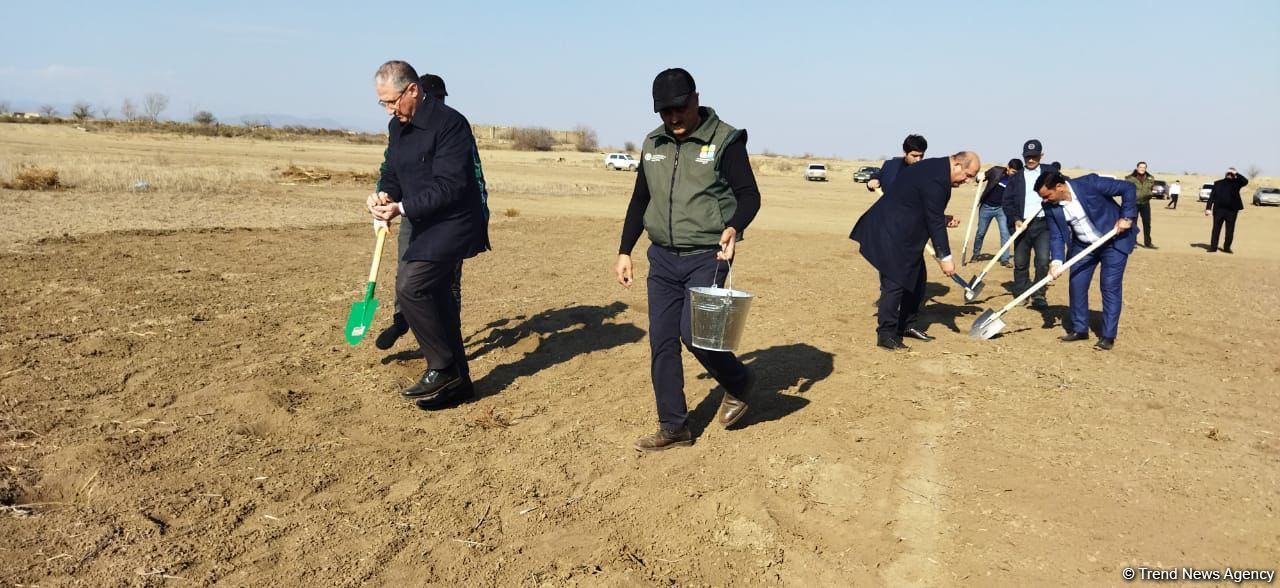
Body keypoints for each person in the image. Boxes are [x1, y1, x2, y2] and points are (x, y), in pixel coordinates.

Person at [614, 68, 761, 452]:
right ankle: (674, 426)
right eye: (665, 112)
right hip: (662, 259)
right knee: (662, 342)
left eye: (679, 109)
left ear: (696, 99)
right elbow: (639, 200)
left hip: (707, 254)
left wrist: (734, 227)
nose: (674, 118)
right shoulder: (653, 144)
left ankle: (739, 382)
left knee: (695, 333)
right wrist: (625, 250)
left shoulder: (724, 140)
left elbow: (749, 195)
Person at [368, 60, 490, 410]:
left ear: (413, 90)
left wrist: (401, 209)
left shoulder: (451, 124)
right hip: (424, 222)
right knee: (440, 300)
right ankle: (460, 385)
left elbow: (451, 186)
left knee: (411, 285)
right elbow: (394, 170)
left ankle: (442, 366)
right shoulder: (397, 127)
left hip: (455, 222)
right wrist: (385, 195)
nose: (390, 110)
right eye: (383, 104)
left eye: (392, 101)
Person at [851, 152, 982, 350]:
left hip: (905, 232)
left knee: (917, 282)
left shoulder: (936, 169)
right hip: (890, 232)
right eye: (968, 175)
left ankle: (906, 326)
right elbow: (934, 221)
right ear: (956, 165)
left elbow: (923, 206)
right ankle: (886, 334)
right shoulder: (937, 179)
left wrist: (942, 218)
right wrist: (945, 257)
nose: (968, 180)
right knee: (894, 285)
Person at [1036, 171, 1138, 351]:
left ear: (1059, 187)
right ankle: (1080, 329)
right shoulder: (1050, 206)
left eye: (1047, 195)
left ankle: (1107, 336)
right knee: (1077, 284)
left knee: (1109, 286)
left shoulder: (1090, 184)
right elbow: (1057, 235)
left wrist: (1127, 217)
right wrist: (1057, 261)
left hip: (1114, 241)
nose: (1045, 200)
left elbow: (1128, 188)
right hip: (1083, 246)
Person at [1002, 139, 1058, 309]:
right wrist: (1016, 219)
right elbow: (1007, 202)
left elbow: (1063, 189)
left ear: (1041, 155)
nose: (1031, 160)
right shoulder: (1016, 178)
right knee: (1020, 262)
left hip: (1044, 225)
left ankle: (1039, 294)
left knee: (1042, 261)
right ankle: (1020, 293)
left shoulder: (1051, 172)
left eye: (1034, 156)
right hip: (1022, 225)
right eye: (1028, 157)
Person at [970, 158, 1021, 267]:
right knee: (981, 232)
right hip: (986, 207)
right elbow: (980, 178)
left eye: (1017, 173)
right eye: (1013, 172)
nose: (1014, 175)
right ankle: (976, 254)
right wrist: (979, 178)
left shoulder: (1017, 180)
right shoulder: (996, 171)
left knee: (1005, 233)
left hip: (1001, 209)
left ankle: (1005, 259)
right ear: (1008, 168)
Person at [1205, 167, 1250, 253]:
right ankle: (1213, 247)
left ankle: (1227, 247)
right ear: (1226, 174)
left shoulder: (1237, 183)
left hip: (1232, 211)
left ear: (1234, 175)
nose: (1230, 175)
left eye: (1231, 174)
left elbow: (1246, 181)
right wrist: (1208, 208)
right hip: (1219, 210)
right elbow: (1211, 197)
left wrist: (1236, 173)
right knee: (1216, 229)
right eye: (1228, 173)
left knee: (1230, 230)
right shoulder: (1218, 183)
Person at [1124, 161, 1157, 248]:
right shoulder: (1130, 178)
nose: (1142, 169)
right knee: (1133, 223)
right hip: (1134, 203)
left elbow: (1151, 188)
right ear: (1137, 168)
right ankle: (1132, 242)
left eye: (1144, 167)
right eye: (1141, 167)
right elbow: (1126, 190)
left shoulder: (1150, 178)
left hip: (1145, 203)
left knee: (1147, 223)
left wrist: (1150, 194)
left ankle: (1148, 243)